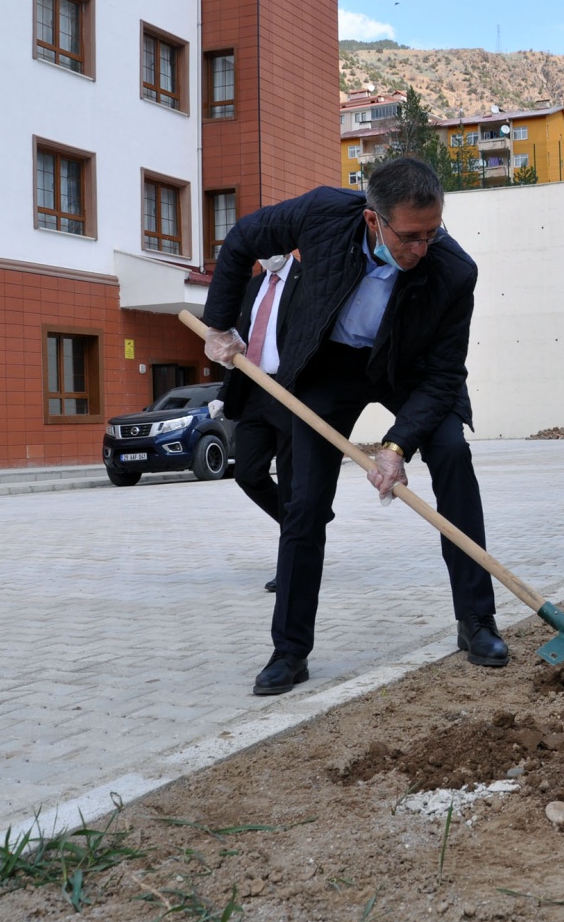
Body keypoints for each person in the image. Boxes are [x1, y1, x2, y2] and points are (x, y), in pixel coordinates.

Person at [201, 157, 507, 696]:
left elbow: (443, 376)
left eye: (432, 233)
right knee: (303, 502)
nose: (422, 248)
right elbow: (243, 238)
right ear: (373, 220)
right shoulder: (322, 213)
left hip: (410, 370)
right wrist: (220, 325)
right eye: (410, 236)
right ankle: (290, 650)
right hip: (329, 366)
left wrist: (397, 447)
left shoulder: (454, 271)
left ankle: (477, 620)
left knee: (452, 455)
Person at [212, 252, 302, 592]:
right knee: (248, 473)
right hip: (252, 390)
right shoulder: (253, 286)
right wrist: (224, 393)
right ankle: (303, 523)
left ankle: (291, 565)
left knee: (291, 485)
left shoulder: (307, 280)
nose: (269, 255)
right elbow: (243, 343)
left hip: (290, 390)